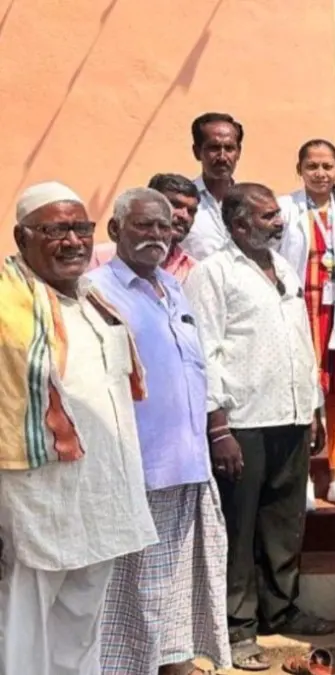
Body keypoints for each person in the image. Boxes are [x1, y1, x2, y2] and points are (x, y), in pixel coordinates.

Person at [0, 182, 157, 675]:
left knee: (83, 614)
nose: (72, 241)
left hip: (101, 491)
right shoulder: (5, 307)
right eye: (55, 230)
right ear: (22, 237)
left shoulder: (95, 300)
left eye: (80, 228)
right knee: (24, 614)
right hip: (35, 494)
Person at [183, 183, 334, 670]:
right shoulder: (213, 273)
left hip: (291, 415)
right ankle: (237, 626)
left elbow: (302, 342)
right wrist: (218, 427)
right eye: (268, 216)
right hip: (242, 421)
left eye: (276, 214)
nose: (279, 222)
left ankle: (280, 610)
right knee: (240, 526)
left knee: (284, 522)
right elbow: (204, 352)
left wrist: (314, 408)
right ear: (239, 223)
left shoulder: (283, 268)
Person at [90, 188, 230, 675]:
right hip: (138, 467)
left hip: (187, 461)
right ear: (115, 230)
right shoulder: (96, 292)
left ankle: (174, 660)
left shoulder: (173, 286)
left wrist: (215, 429)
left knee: (178, 580)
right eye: (143, 225)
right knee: (135, 587)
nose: (156, 235)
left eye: (163, 227)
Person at [277, 139, 335, 511]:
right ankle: (305, 479)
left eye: (327, 166)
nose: (320, 173)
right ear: (299, 169)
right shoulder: (285, 208)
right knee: (301, 395)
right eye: (312, 166)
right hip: (301, 312)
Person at [89, 174, 202, 279]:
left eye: (191, 211)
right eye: (175, 205)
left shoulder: (193, 271)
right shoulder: (99, 258)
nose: (184, 216)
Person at [180, 112, 244, 260]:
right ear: (197, 152)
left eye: (229, 148)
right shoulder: (181, 204)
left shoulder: (250, 203)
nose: (222, 157)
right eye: (213, 148)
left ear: (238, 152)